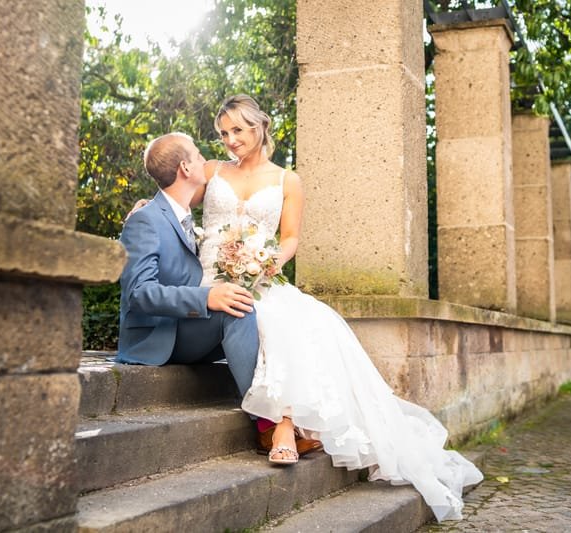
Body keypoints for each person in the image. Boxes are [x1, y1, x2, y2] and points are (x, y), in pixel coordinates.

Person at [192, 94, 484, 521]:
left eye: (238, 130)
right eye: (223, 133)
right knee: (270, 319)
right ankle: (283, 427)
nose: (230, 140)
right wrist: (150, 206)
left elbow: (289, 236)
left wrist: (269, 261)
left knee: (302, 319)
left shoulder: (287, 180)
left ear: (259, 127)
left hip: (258, 276)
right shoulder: (212, 171)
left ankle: (286, 425)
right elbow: (178, 197)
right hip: (209, 280)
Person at [119, 132, 323, 457]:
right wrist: (206, 299)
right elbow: (139, 295)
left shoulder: (182, 215)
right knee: (234, 306)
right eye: (199, 156)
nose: (206, 160)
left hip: (189, 328)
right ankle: (268, 425)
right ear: (186, 168)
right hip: (160, 336)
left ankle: (290, 417)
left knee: (268, 314)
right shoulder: (145, 220)